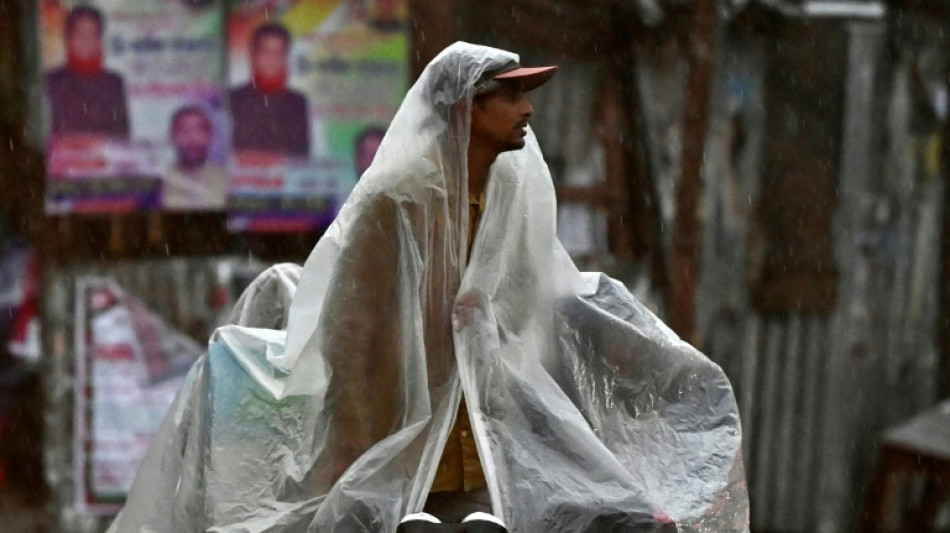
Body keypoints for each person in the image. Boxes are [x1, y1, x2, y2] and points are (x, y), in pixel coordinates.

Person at [109, 43, 748, 532]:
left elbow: (540, 308)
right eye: (510, 97)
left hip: (483, 459)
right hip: (404, 458)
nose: (528, 111)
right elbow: (349, 342)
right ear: (467, 106)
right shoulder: (396, 207)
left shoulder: (505, 198)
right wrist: (359, 465)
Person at [45, 5, 130, 139]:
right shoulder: (50, 82)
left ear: (99, 39)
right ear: (68, 38)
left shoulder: (113, 83)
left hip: (103, 158)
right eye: (80, 33)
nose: (86, 40)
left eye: (92, 33)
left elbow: (121, 136)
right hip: (63, 158)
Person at [229, 23, 310, 157]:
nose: (273, 59)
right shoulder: (234, 99)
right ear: (254, 55)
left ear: (286, 57)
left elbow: (302, 159)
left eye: (279, 52)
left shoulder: (298, 103)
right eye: (266, 51)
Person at [163, 106, 227, 211]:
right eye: (183, 131)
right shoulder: (159, 181)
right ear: (172, 136)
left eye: (199, 131)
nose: (192, 139)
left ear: (211, 135)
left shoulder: (227, 179)